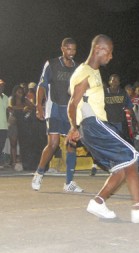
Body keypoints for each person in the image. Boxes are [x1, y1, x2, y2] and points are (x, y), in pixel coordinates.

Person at [67, 34, 139, 223]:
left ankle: (98, 202)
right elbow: (73, 103)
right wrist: (74, 126)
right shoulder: (84, 72)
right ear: (99, 49)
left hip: (91, 127)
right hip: (94, 124)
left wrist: (78, 126)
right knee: (132, 157)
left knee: (121, 168)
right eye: (110, 52)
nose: (111, 57)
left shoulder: (93, 72)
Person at [31, 38, 83, 192]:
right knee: (53, 144)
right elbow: (42, 85)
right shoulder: (52, 64)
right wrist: (38, 105)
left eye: (74, 50)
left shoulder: (79, 68)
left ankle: (69, 183)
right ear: (62, 48)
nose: (71, 52)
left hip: (70, 111)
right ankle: (39, 173)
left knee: (71, 145)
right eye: (68, 49)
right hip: (53, 109)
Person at [8, 85, 35, 171]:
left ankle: (24, 161)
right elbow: (10, 108)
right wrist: (22, 108)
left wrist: (28, 108)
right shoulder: (11, 100)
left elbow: (33, 107)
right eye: (19, 91)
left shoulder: (25, 100)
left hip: (23, 123)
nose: (21, 93)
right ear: (15, 92)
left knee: (24, 143)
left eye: (22, 92)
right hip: (14, 123)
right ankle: (14, 162)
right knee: (13, 143)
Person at [0, 79, 9, 169]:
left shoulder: (6, 97)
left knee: (2, 144)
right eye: (0, 85)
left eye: (2, 86)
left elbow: (7, 110)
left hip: (4, 125)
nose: (1, 87)